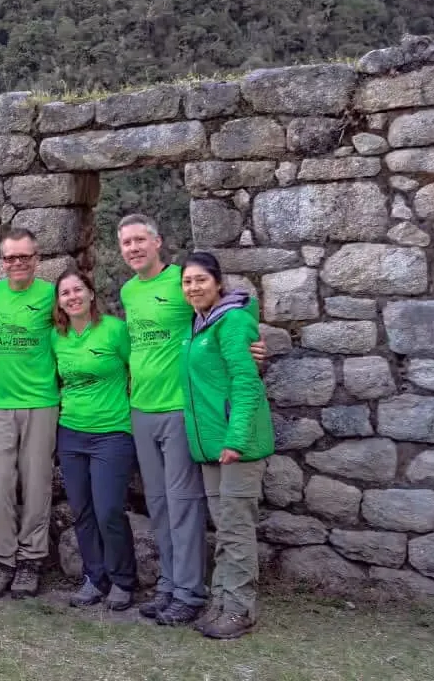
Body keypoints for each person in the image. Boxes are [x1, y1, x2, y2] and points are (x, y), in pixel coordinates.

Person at [118, 214, 265, 625]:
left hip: (183, 410)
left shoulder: (182, 280)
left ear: (157, 241)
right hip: (142, 407)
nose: (133, 248)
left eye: (139, 240)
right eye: (125, 242)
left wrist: (255, 343)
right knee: (160, 505)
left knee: (184, 505)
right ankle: (168, 584)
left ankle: (189, 592)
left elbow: (232, 305)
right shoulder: (129, 291)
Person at [180, 251, 274, 640]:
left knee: (236, 531)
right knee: (225, 528)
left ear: (218, 282)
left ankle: (238, 611)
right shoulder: (200, 325)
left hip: (237, 448)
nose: (193, 287)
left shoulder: (232, 321)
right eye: (187, 282)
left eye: (200, 280)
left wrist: (235, 439)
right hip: (213, 448)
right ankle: (221, 602)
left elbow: (246, 382)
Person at [0, 227, 60, 599]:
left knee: (37, 483)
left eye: (24, 256)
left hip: (40, 401)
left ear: (37, 259)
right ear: (1, 261)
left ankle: (31, 560)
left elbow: (77, 332)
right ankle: (2, 560)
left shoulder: (51, 295)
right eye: (10, 257)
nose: (16, 263)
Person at [51, 270, 138, 611]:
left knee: (109, 510)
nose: (72, 297)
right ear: (58, 301)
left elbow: (140, 368)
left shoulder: (115, 330)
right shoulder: (55, 337)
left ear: (90, 294)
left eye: (77, 290)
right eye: (64, 293)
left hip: (112, 433)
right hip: (70, 431)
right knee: (82, 511)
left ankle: (122, 580)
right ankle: (94, 576)